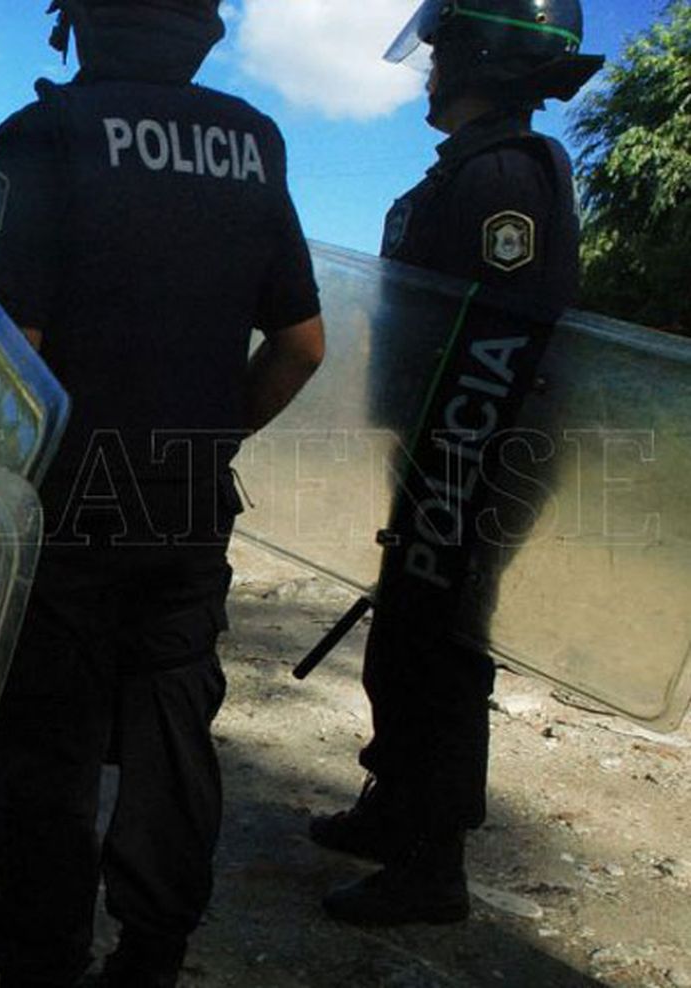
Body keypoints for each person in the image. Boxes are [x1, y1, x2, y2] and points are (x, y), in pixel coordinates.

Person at [0, 2, 325, 985]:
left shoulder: (40, 136)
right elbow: (302, 345)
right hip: (188, 505)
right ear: (203, 29)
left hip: (62, 508)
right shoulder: (254, 146)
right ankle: (151, 954)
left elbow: (15, 358)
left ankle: (41, 961)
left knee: (45, 744)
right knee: (173, 730)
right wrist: (206, 442)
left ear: (75, 21)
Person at [309, 0, 603, 926]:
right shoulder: (477, 169)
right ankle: (394, 810)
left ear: (485, 53)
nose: (429, 68)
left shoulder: (506, 174)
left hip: (473, 451)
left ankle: (431, 867)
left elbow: (496, 343)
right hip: (448, 450)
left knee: (437, 652)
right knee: (406, 638)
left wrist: (452, 470)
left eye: (439, 50)